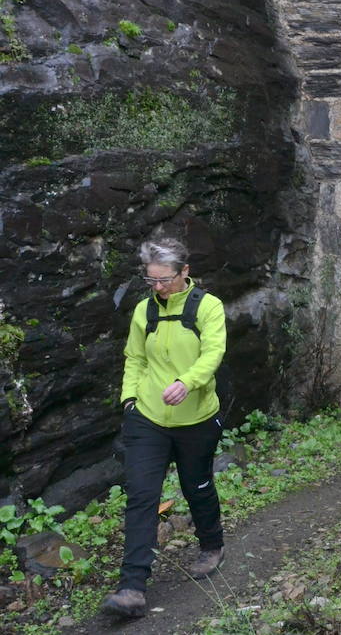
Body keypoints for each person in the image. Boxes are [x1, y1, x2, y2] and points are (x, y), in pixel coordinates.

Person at [102, 236, 227, 618]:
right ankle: (132, 587)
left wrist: (187, 382)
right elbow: (134, 358)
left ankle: (212, 545)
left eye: (165, 280)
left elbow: (214, 353)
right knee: (142, 495)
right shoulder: (144, 310)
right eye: (151, 280)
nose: (158, 287)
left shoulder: (208, 307)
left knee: (197, 485)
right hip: (148, 419)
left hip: (197, 417)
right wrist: (129, 401)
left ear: (184, 272)